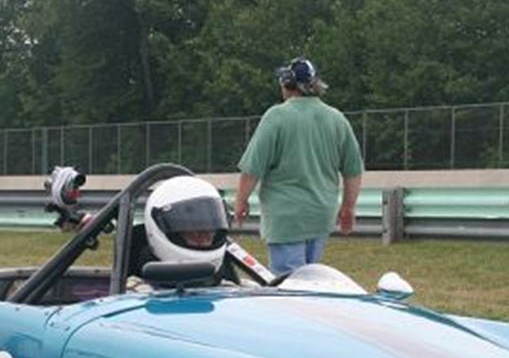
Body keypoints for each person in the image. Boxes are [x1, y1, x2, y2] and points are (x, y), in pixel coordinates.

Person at [233, 57, 363, 274]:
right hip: (321, 214)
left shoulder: (276, 116)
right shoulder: (337, 119)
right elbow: (353, 170)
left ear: (286, 83)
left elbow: (252, 168)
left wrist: (241, 201)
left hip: (286, 216)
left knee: (289, 287)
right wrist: (348, 208)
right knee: (311, 278)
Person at [139, 175, 231, 278]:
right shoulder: (135, 290)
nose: (203, 240)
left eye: (209, 232)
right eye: (194, 233)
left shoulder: (236, 290)